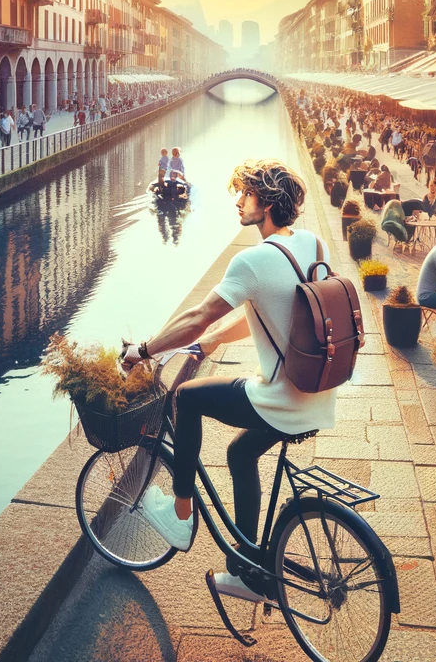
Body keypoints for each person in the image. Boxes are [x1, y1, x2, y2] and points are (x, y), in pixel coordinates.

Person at [121, 159, 335, 603]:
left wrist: (144, 350)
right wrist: (214, 341)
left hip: (282, 398)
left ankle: (181, 516)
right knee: (240, 453)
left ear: (268, 203)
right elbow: (275, 309)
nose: (238, 201)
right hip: (318, 393)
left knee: (185, 397)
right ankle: (248, 573)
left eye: (246, 194)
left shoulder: (252, 260)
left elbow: (197, 316)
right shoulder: (312, 244)